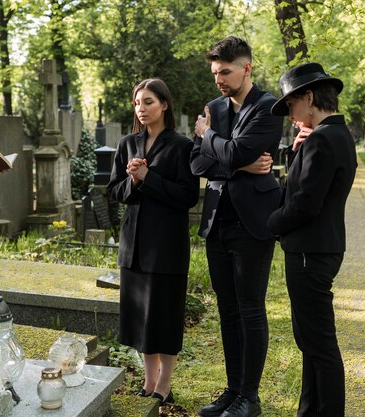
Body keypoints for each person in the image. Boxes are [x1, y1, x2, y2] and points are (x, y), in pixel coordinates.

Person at [190, 36, 283, 417]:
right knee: (227, 309)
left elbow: (229, 150)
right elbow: (197, 164)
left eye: (225, 72)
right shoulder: (214, 106)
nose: (219, 80)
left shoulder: (268, 108)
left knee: (250, 308)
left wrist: (207, 136)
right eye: (215, 73)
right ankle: (232, 390)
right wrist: (238, 161)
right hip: (217, 221)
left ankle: (250, 397)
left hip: (253, 223)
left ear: (247, 68)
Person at [267, 62, 357, 417]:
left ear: (308, 96)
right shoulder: (334, 135)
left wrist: (270, 224)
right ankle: (310, 411)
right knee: (310, 340)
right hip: (319, 247)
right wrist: (295, 150)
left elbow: (304, 203)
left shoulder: (322, 139)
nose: (289, 113)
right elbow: (302, 186)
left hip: (310, 249)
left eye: (291, 104)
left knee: (318, 343)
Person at [107, 78, 199, 406]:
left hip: (166, 246)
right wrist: (133, 181)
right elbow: (114, 190)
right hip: (133, 244)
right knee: (140, 318)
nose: (141, 109)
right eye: (137, 103)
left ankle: (165, 383)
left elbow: (188, 196)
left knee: (164, 316)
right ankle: (148, 381)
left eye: (148, 102)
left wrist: (150, 178)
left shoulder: (182, 146)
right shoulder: (127, 144)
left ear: (164, 105)